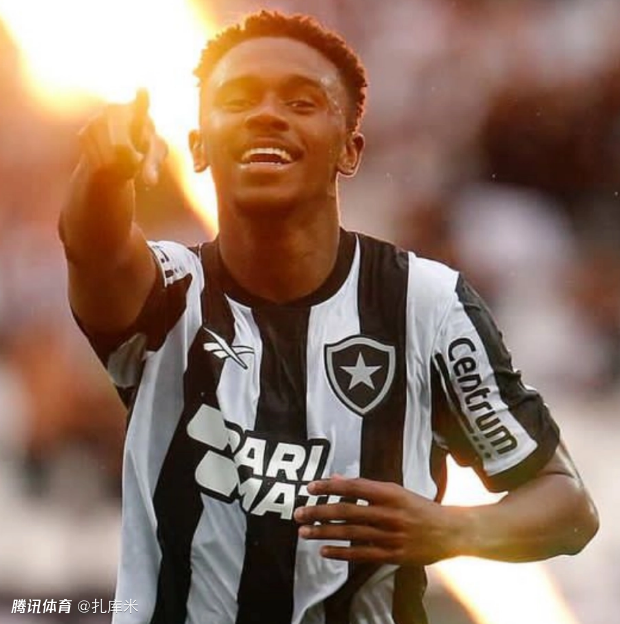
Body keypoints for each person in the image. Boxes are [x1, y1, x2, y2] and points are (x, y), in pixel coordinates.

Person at [58, 10, 598, 624]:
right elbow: (92, 246)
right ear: (199, 146)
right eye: (238, 100)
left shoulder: (427, 304)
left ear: (350, 149)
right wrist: (103, 171)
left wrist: (451, 530)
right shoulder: (166, 293)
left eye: (301, 101)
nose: (267, 115)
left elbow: (568, 508)